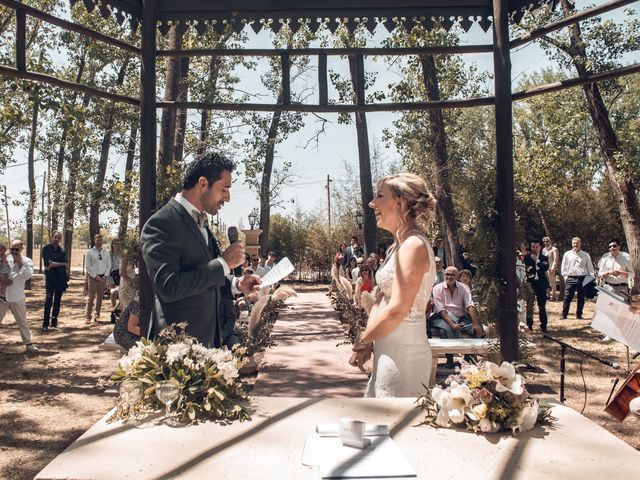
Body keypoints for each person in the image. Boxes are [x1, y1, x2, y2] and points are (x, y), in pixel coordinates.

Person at [140, 152, 260, 348]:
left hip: (206, 346)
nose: (227, 198)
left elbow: (203, 274)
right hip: (176, 349)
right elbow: (168, 286)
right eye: (224, 189)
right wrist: (224, 263)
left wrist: (236, 284)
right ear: (203, 183)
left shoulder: (200, 222)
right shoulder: (162, 223)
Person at [349, 172, 436, 398]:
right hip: (387, 350)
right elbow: (382, 299)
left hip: (404, 355)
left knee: (394, 425)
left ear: (401, 202)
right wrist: (369, 342)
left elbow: (398, 309)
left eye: (379, 196)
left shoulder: (414, 246)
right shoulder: (396, 246)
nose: (372, 203)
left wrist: (363, 339)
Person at [0, 240, 38, 353]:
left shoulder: (27, 261)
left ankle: (28, 344)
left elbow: (27, 275)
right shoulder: (5, 259)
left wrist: (19, 261)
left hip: (17, 297)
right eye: (12, 249)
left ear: (21, 248)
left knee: (22, 322)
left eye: (16, 249)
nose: (14, 252)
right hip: (2, 297)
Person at [560, 237, 594, 320]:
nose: (576, 244)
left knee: (581, 297)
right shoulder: (567, 254)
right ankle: (564, 315)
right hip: (571, 278)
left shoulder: (585, 255)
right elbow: (563, 266)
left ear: (580, 244)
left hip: (583, 278)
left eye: (577, 243)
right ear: (572, 244)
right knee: (567, 297)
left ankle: (579, 315)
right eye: (574, 243)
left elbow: (590, 267)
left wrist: (591, 277)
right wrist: (565, 277)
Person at [41, 231, 68, 332]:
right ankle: (45, 323)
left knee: (57, 300)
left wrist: (55, 264)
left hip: (60, 278)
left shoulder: (62, 250)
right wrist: (61, 264)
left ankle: (54, 322)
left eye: (59, 237)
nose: (57, 239)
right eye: (55, 237)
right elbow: (49, 264)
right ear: (51, 237)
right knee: (48, 299)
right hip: (50, 278)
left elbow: (66, 263)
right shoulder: (46, 249)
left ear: (60, 239)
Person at [84, 234, 111, 324]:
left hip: (103, 277)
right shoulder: (90, 252)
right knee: (91, 297)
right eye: (97, 240)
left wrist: (105, 276)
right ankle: (88, 316)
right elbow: (87, 266)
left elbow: (109, 265)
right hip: (93, 277)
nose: (99, 241)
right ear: (94, 240)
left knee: (100, 297)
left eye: (101, 240)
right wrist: (95, 276)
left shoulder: (106, 252)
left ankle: (97, 315)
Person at [524, 240, 550, 333]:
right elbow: (527, 270)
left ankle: (543, 326)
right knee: (529, 305)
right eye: (533, 247)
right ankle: (529, 325)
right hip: (531, 284)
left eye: (536, 247)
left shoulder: (544, 257)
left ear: (540, 247)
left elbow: (545, 267)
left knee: (542, 306)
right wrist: (537, 267)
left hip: (541, 284)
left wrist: (537, 261)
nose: (535, 249)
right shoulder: (526, 258)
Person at [542, 236, 560, 301]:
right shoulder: (543, 250)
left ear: (550, 241)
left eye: (547, 241)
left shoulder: (554, 249)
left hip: (551, 268)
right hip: (544, 268)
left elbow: (555, 259)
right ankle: (548, 295)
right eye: (544, 242)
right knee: (546, 282)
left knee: (552, 283)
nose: (545, 243)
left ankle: (554, 297)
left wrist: (553, 267)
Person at [107, 238, 122, 311]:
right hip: (111, 274)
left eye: (118, 244)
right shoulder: (109, 253)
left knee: (121, 291)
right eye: (115, 244)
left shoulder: (122, 253)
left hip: (120, 274)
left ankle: (122, 308)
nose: (116, 245)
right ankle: (114, 309)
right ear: (112, 244)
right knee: (112, 292)